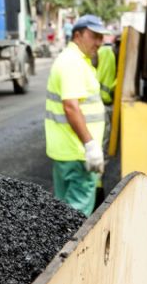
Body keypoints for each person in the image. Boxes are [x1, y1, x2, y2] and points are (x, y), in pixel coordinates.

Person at [44, 14, 109, 216]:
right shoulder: (73, 63)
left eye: (101, 37)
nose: (99, 42)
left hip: (66, 152)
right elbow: (71, 107)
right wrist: (90, 146)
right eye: (94, 36)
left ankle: (57, 246)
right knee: (76, 217)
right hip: (78, 153)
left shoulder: (73, 59)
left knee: (63, 213)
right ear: (78, 35)